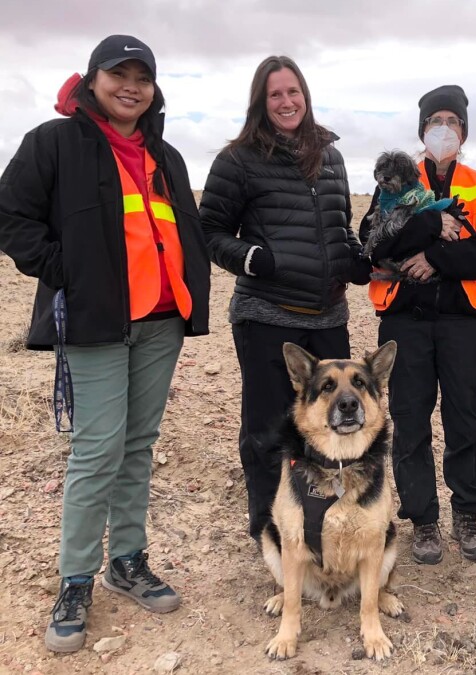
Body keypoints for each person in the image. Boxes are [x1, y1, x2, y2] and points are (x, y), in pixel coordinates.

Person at [0, 35, 210, 652]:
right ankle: (74, 579)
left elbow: (182, 227)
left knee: (139, 444)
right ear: (93, 80)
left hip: (162, 319)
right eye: (118, 74)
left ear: (153, 90)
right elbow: (11, 215)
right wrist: (65, 269)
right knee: (98, 448)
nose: (131, 87)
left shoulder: (164, 154)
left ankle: (127, 560)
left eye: (142, 77)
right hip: (94, 320)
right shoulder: (55, 142)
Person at [199, 56, 369, 542]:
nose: (286, 101)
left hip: (327, 316)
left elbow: (338, 228)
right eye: (275, 94)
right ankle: (270, 527)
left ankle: (324, 521)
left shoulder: (330, 156)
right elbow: (209, 231)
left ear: (305, 95)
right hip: (266, 315)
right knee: (269, 428)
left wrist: (356, 261)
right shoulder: (237, 161)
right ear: (261, 101)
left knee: (330, 422)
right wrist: (254, 259)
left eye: (293, 92)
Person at [360, 85, 476, 564]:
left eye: (451, 121)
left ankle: (467, 514)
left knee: (465, 417)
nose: (442, 129)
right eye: (434, 121)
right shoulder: (393, 182)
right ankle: (423, 520)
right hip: (404, 320)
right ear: (422, 130)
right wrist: (427, 234)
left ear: (463, 131)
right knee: (409, 420)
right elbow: (375, 242)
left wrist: (437, 259)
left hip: (463, 322)